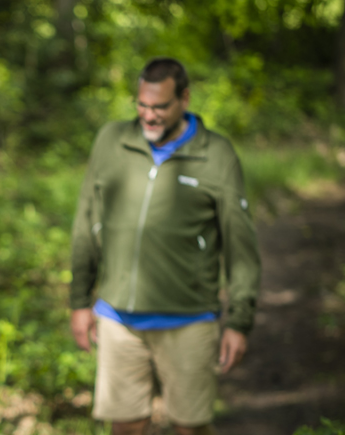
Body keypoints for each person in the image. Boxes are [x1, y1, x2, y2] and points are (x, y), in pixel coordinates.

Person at [68, 58, 261, 435]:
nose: (149, 115)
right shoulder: (112, 140)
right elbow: (85, 223)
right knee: (125, 425)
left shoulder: (216, 154)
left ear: (185, 99)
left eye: (160, 106)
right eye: (142, 105)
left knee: (190, 427)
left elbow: (241, 244)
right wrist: (78, 300)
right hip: (117, 318)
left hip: (189, 319)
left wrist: (239, 320)